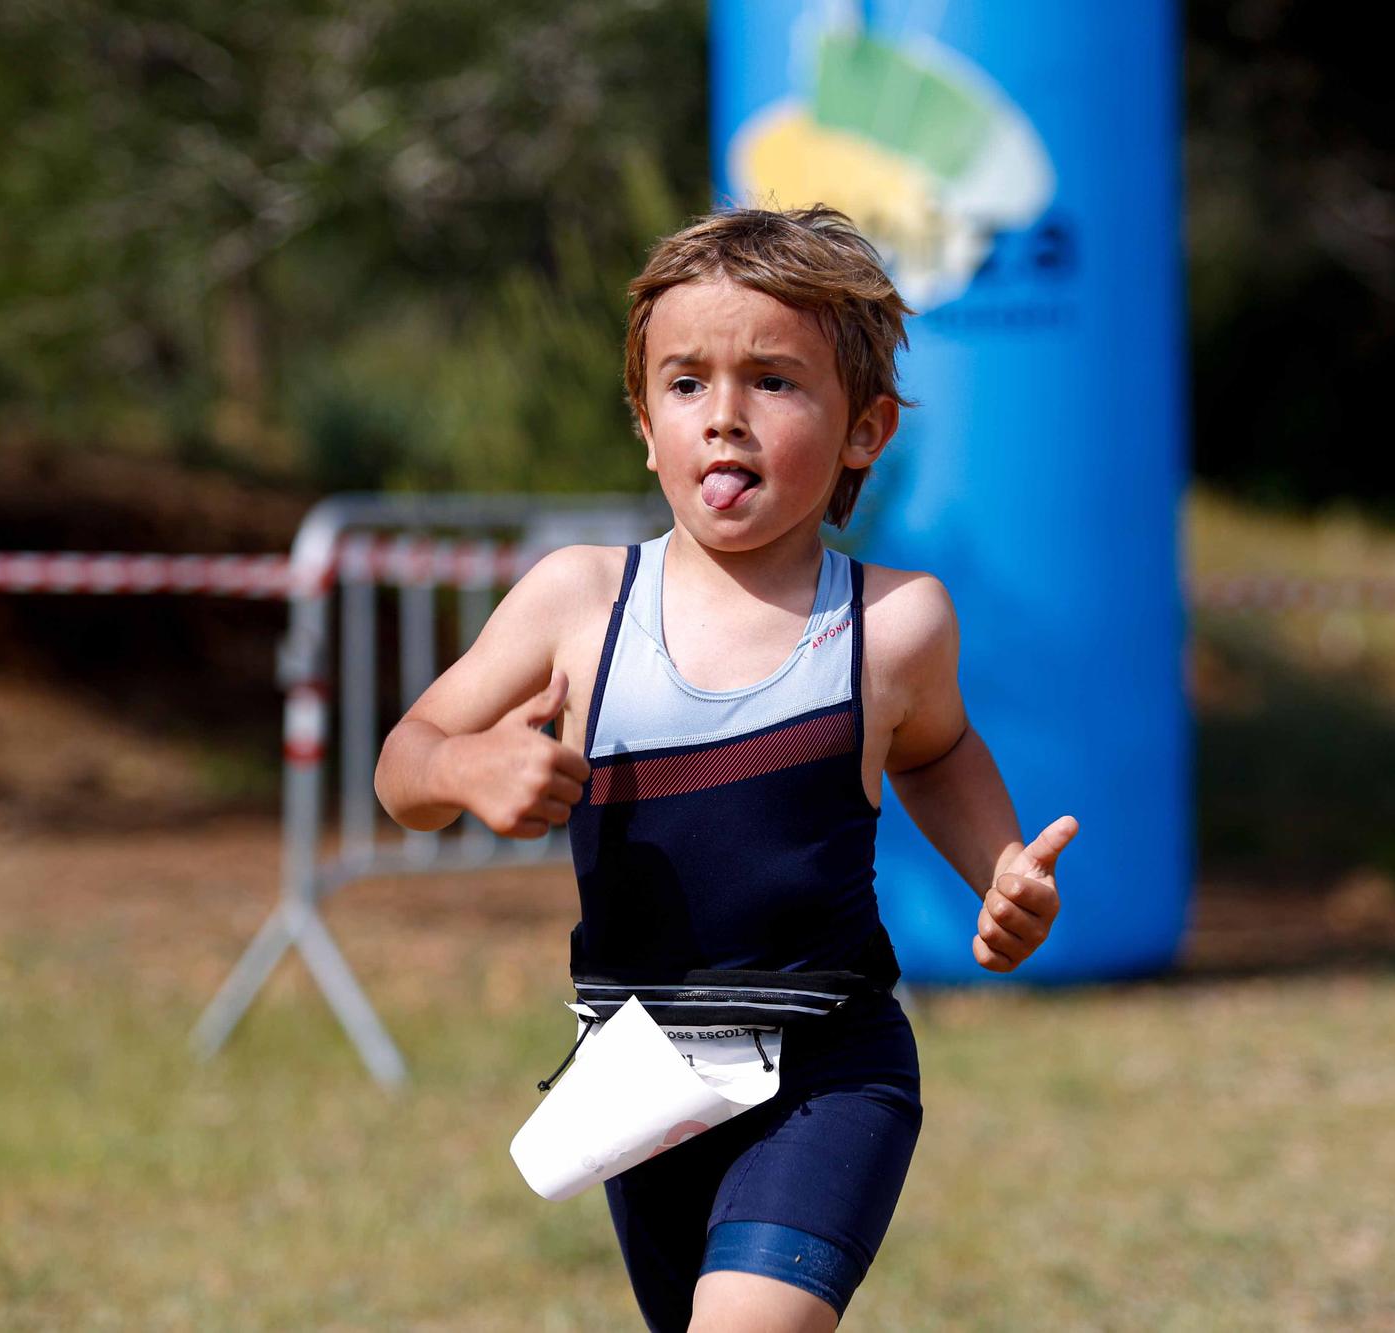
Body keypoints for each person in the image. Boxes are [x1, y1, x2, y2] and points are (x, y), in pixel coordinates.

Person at [373, 205, 1076, 1333]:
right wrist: (466, 766)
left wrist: (999, 867)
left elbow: (937, 755)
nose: (726, 420)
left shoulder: (891, 626)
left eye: (775, 382)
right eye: (686, 384)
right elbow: (400, 762)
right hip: (645, 1087)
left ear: (865, 429)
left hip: (830, 1074)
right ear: (644, 425)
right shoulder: (576, 603)